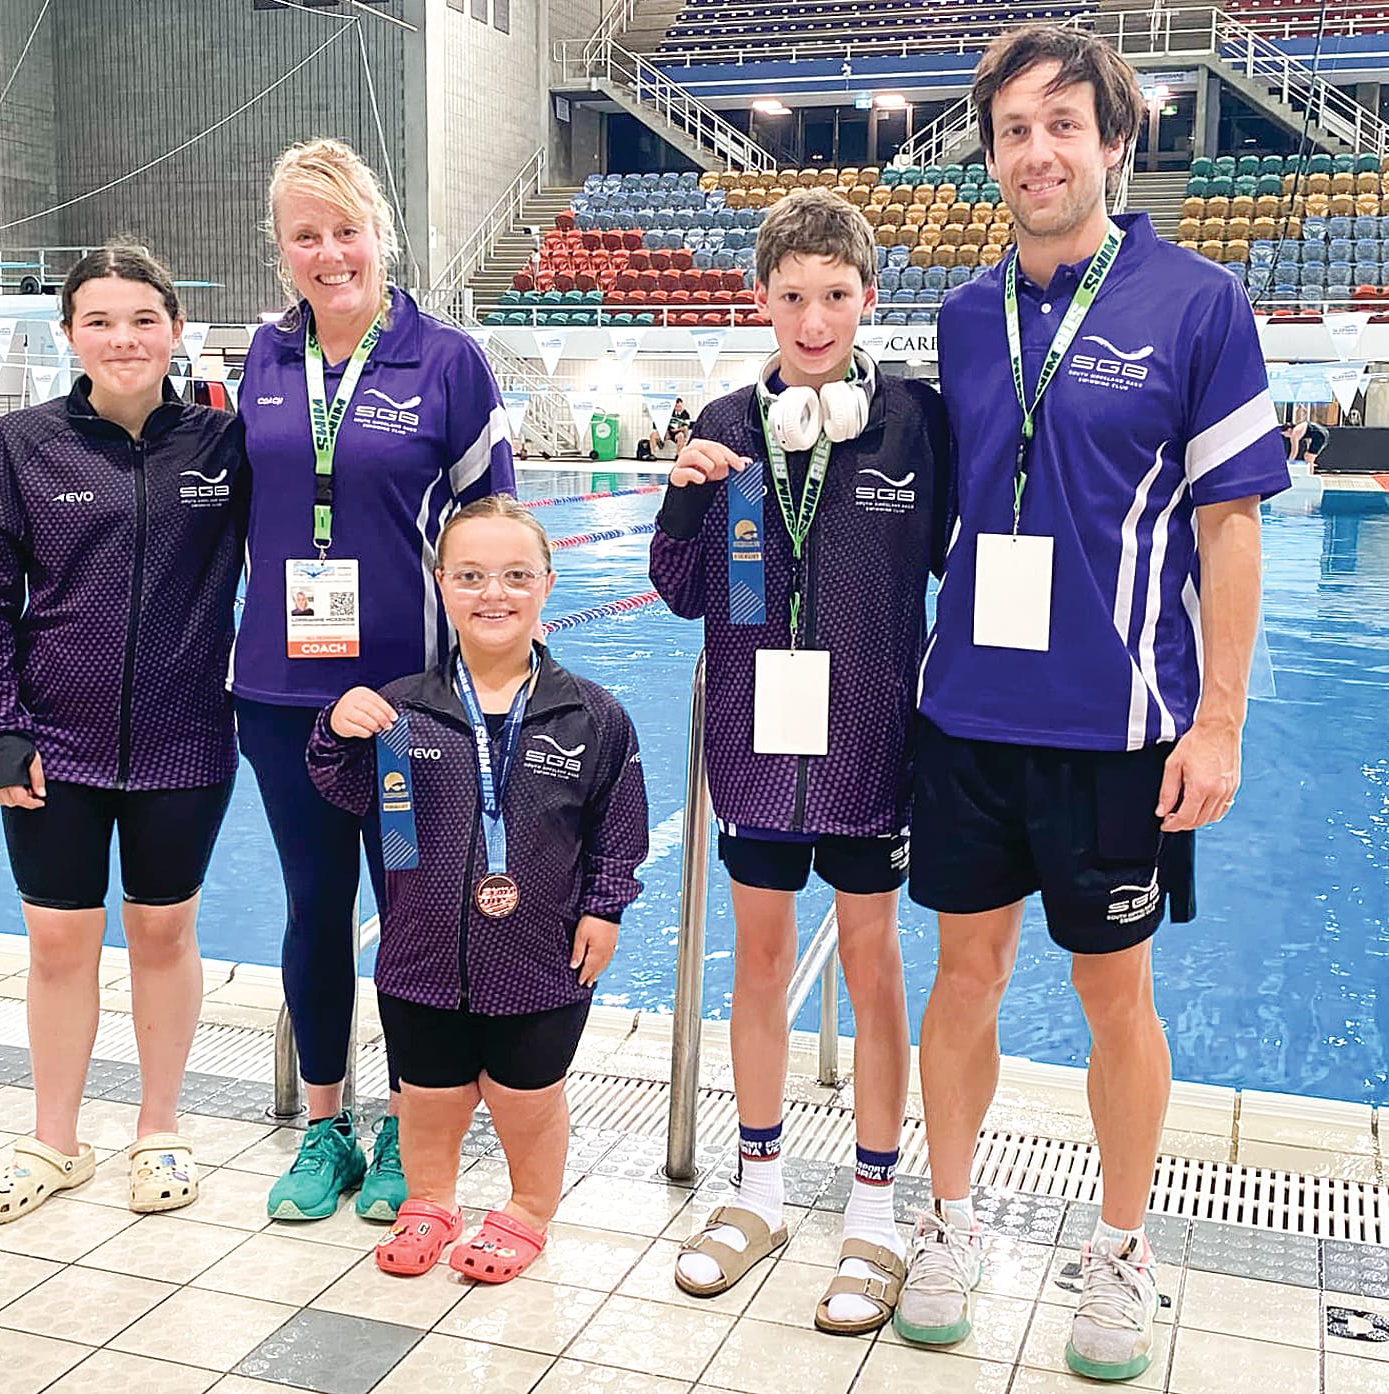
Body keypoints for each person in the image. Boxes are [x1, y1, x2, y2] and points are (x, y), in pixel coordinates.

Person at [896, 26, 1289, 1382]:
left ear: (1116, 143)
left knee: (1116, 997)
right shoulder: (959, 318)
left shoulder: (1197, 303)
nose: (1037, 150)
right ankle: (951, 1223)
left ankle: (1121, 1249)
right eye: (1013, 129)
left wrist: (1221, 717)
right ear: (991, 154)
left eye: (1065, 124)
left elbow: (1232, 530)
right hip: (966, 722)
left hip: (1120, 732)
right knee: (964, 980)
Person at [650, 187, 950, 1335]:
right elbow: (685, 594)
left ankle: (874, 1205)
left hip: (872, 747)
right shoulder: (727, 419)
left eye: (834, 296)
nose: (813, 319)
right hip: (756, 747)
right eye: (791, 297)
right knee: (760, 959)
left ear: (867, 300)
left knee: (872, 963)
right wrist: (684, 502)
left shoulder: (912, 425)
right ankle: (759, 1186)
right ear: (761, 300)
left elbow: (962, 566)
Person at [233, 138, 514, 1223]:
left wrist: (489, 684)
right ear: (283, 249)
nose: (328, 251)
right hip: (281, 698)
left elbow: (493, 530)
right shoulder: (258, 361)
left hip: (414, 704)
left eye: (345, 228)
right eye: (305, 234)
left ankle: (407, 1126)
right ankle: (324, 1128)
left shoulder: (448, 362)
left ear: (379, 233)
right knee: (315, 908)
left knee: (411, 915)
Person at [0, 244, 246, 1224]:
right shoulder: (21, 446)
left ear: (174, 328)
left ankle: (159, 1126)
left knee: (164, 930)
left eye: (142, 319)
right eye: (100, 320)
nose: (123, 338)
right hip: (54, 741)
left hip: (187, 739)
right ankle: (55, 1139)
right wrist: (1, 725)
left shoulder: (222, 447)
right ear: (68, 332)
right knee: (56, 944)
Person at [306, 496, 648, 1282]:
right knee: (426, 1092)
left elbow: (620, 823)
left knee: (527, 1094)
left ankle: (528, 1209)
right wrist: (332, 729)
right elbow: (344, 791)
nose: (494, 594)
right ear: (442, 585)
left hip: (539, 955)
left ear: (548, 584)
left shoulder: (590, 715)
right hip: (422, 952)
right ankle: (431, 1199)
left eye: (515, 575)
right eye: (471, 576)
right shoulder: (405, 710)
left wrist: (605, 906)